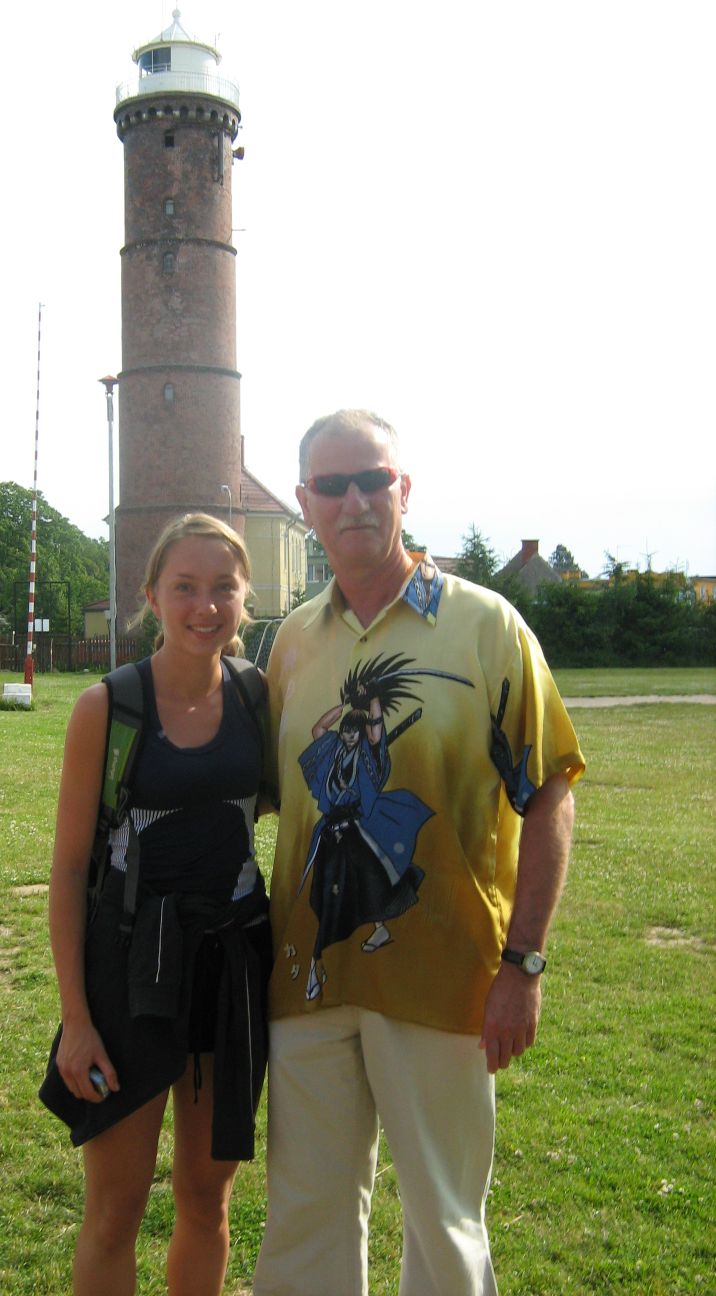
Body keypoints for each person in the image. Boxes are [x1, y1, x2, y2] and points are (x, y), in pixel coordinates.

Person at [252, 410, 585, 1296]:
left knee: (444, 1219)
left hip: (449, 981)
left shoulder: (486, 627)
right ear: (305, 504)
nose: (355, 501)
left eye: (373, 480)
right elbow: (266, 794)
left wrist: (524, 963)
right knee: (306, 1214)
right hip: (308, 979)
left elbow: (550, 793)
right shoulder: (292, 641)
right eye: (333, 486)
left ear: (404, 489)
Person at [42, 513, 271, 1296]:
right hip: (129, 973)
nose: (205, 606)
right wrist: (77, 1021)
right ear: (151, 597)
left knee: (207, 1201)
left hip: (229, 971)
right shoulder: (109, 707)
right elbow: (69, 871)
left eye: (223, 588)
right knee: (116, 1211)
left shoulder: (258, 697)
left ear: (245, 597)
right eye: (184, 587)